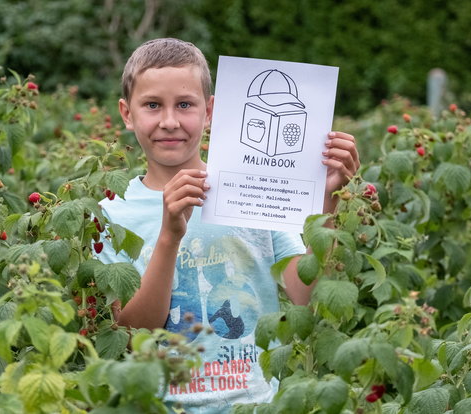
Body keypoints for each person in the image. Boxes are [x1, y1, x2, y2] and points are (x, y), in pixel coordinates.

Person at [96, 38, 359, 413]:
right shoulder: (113, 213)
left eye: (185, 105)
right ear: (127, 113)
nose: (169, 121)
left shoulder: (248, 188)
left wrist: (329, 202)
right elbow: (129, 335)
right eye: (152, 105)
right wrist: (170, 235)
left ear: (210, 112)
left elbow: (306, 296)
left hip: (255, 404)